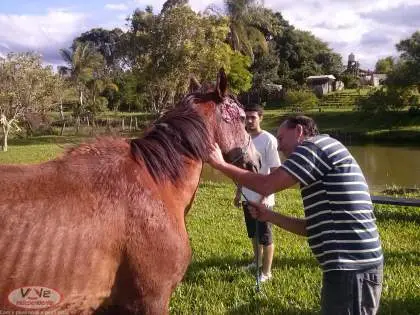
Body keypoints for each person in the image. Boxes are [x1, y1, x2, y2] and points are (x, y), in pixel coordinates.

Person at [208, 115, 383, 315]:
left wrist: (221, 165)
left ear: (299, 131)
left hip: (352, 268)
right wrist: (269, 216)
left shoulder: (313, 147)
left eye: (281, 139)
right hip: (352, 266)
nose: (280, 147)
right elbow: (313, 228)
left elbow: (267, 184)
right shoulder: (322, 156)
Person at [234, 104, 281, 283]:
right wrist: (239, 193)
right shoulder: (243, 138)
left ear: (261, 118)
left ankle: (267, 272)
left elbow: (276, 171)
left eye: (253, 117)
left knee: (265, 236)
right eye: (246, 118)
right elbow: (242, 170)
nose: (250, 121)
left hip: (264, 199)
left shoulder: (268, 140)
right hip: (247, 196)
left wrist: (264, 197)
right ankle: (256, 262)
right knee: (253, 234)